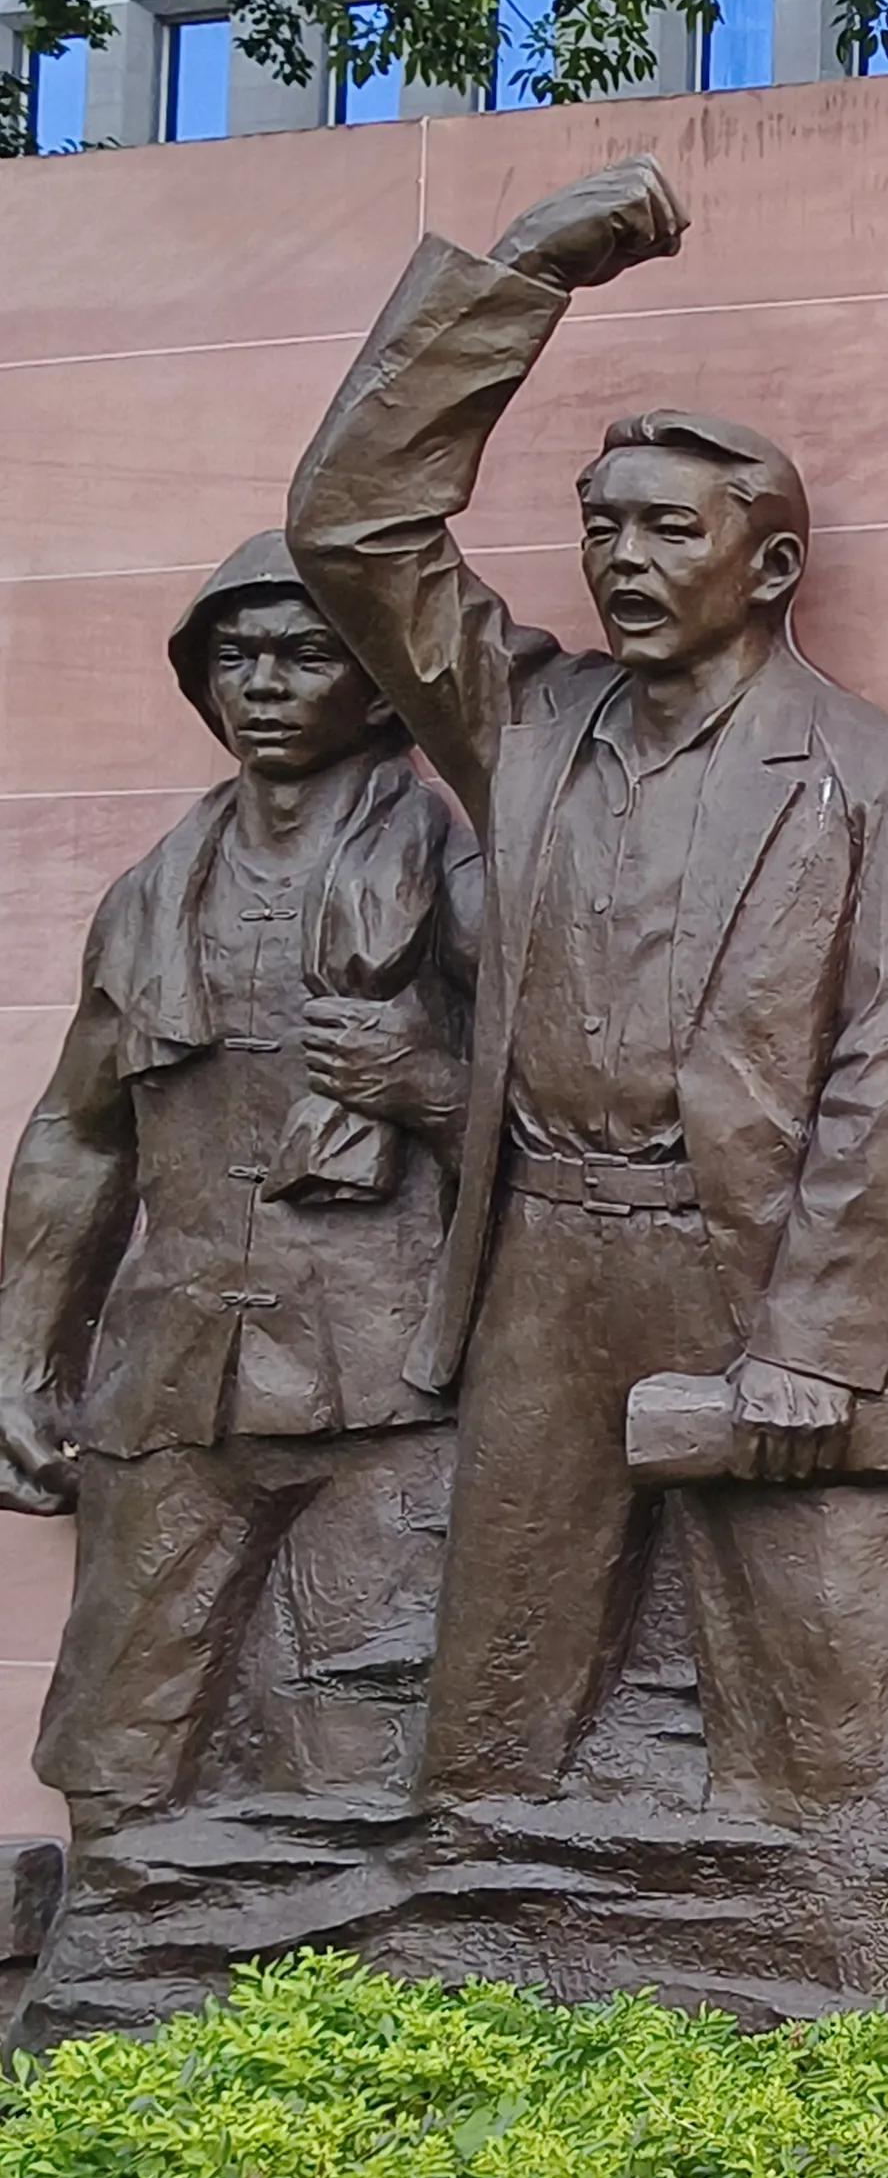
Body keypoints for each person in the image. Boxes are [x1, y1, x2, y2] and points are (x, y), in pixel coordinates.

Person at [284, 159, 888, 1818]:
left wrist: (815, 1343)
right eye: (603, 528)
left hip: (754, 1263)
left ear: (773, 564)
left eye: (674, 529)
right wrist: (523, 271)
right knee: (492, 1721)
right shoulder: (525, 728)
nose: (625, 559)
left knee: (818, 1722)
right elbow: (349, 525)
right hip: (544, 1261)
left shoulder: (880, 777)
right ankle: (478, 1929)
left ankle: (835, 1946)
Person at [0, 535, 476, 1831]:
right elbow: (81, 1133)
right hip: (173, 1376)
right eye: (235, 657)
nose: (263, 683)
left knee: (367, 1749)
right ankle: (124, 1950)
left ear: (378, 688)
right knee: (119, 1743)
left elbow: (586, 1121)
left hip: (390, 1388)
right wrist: (24, 1355)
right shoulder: (148, 897)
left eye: (306, 654)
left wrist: (428, 1082)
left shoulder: (465, 878)